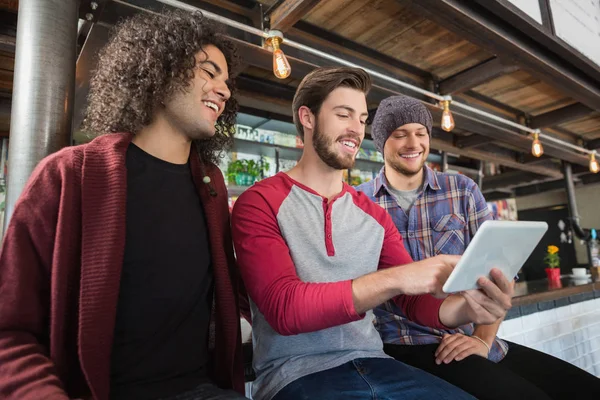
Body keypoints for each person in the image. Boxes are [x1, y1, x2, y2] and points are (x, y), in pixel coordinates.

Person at [0, 10, 249, 400]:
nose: (225, 89)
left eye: (227, 80)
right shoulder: (68, 175)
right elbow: (10, 329)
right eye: (209, 71)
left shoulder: (212, 186)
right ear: (160, 69)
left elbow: (232, 295)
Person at [231, 66, 516, 400]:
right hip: (296, 375)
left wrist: (469, 308)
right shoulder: (258, 202)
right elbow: (284, 308)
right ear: (307, 117)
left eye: (363, 119)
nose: (356, 129)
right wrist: (397, 278)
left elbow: (413, 304)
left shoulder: (373, 214)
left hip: (377, 363)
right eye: (343, 114)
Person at [356, 95, 600, 400]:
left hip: (468, 337)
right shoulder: (359, 202)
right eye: (400, 134)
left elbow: (501, 271)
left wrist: (484, 340)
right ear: (380, 143)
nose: (413, 143)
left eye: (420, 133)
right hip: (403, 345)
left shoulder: (461, 189)